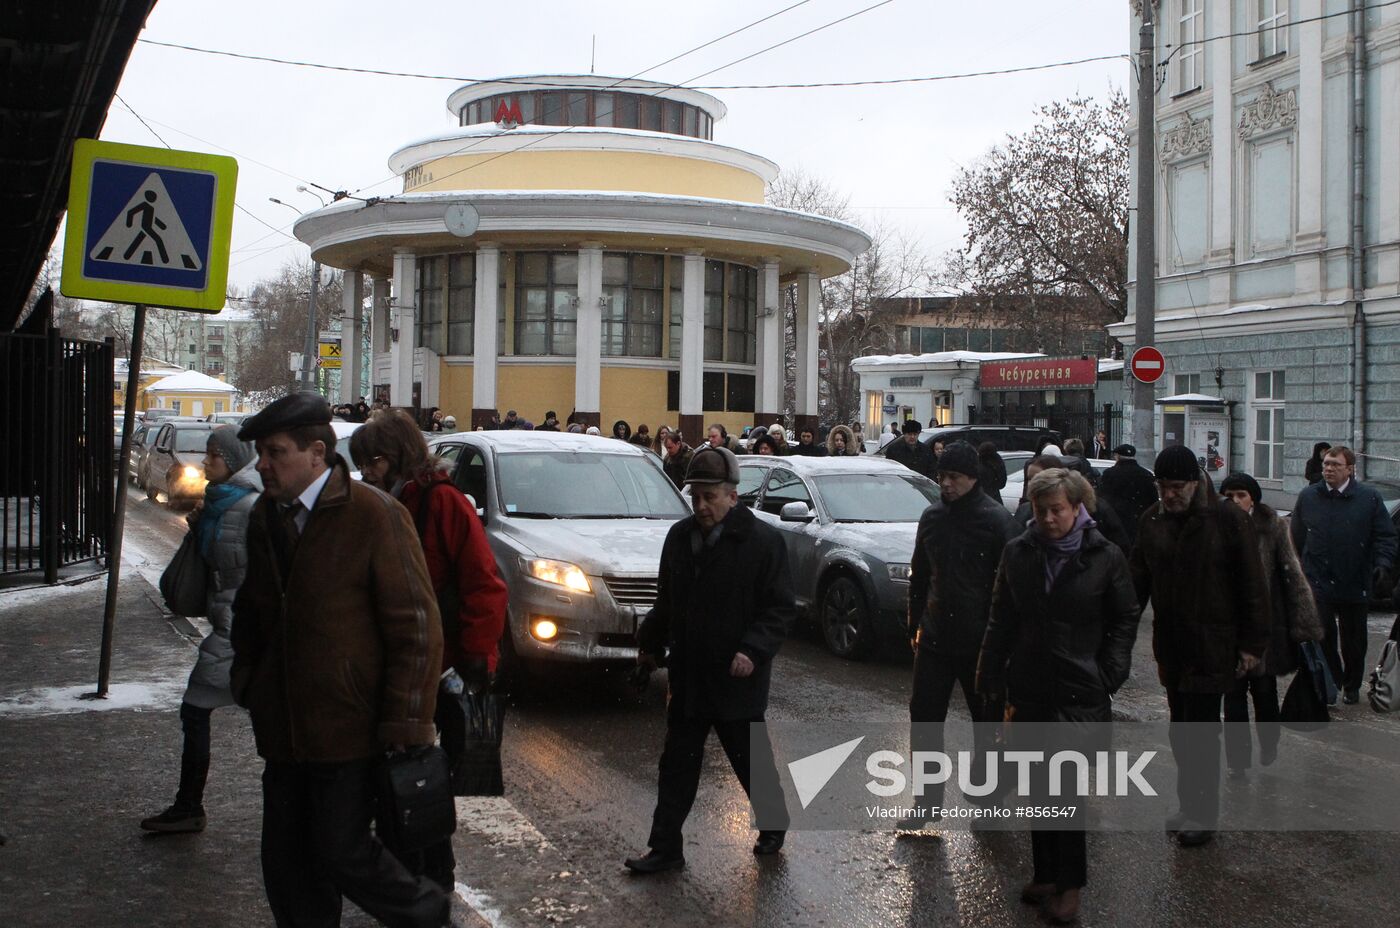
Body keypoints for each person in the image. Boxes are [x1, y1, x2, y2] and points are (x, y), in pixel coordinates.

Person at [230, 393, 448, 927]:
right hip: (283, 730)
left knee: (342, 850)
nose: (262, 465)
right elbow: (252, 611)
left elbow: (416, 626)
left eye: (275, 452)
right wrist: (249, 681)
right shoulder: (265, 517)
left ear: (316, 453)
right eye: (260, 453)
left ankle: (428, 915)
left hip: (348, 731)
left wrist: (407, 721)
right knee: (287, 868)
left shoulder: (374, 515)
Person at [349, 410, 509, 890]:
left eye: (374, 462)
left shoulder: (442, 501)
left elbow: (484, 582)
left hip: (440, 664)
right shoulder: (385, 502)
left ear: (397, 457)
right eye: (362, 464)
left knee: (420, 772)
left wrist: (477, 656)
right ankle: (415, 867)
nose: (366, 472)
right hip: (400, 661)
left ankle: (432, 875)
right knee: (401, 769)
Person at [978, 468, 1140, 924]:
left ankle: (1070, 889)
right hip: (1030, 685)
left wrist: (1109, 672)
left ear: (1077, 508)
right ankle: (1046, 874)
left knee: (1065, 789)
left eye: (1057, 510)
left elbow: (1125, 616)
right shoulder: (1019, 552)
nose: (1049, 519)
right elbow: (1001, 616)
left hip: (1079, 689)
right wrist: (989, 672)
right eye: (1041, 509)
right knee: (1036, 784)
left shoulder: (1104, 556)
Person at [627, 447, 794, 872]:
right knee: (677, 765)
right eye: (696, 496)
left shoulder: (763, 543)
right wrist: (649, 647)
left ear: (732, 496)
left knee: (750, 759)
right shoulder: (679, 539)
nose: (701, 506)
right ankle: (665, 848)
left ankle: (773, 824)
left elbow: (778, 609)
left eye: (710, 497)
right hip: (689, 675)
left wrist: (752, 650)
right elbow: (667, 601)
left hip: (736, 677)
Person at [1129, 445, 1269, 848]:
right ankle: (1188, 803)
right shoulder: (1152, 520)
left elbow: (1253, 585)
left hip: (1214, 642)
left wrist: (1252, 644)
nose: (1169, 494)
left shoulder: (1227, 520)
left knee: (1202, 732)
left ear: (1195, 482)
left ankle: (1203, 813)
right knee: (1180, 730)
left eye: (1177, 486)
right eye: (1162, 486)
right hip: (1171, 644)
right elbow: (1136, 583)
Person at [141, 426, 263, 835]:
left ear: (233, 461)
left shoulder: (246, 508)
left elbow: (252, 577)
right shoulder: (217, 504)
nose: (205, 462)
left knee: (197, 711)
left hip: (240, 631)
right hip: (228, 626)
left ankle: (189, 806)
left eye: (213, 455)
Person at [902, 441, 1017, 831]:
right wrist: (915, 625)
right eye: (942, 477)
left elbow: (1012, 587)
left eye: (953, 477)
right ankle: (926, 801)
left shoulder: (997, 521)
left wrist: (1004, 645)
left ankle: (990, 803)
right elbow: (920, 576)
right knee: (924, 718)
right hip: (935, 636)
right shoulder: (932, 517)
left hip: (981, 643)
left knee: (987, 724)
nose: (946, 484)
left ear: (972, 478)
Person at [1219, 472, 1322, 774]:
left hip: (1265, 626)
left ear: (1253, 498)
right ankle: (1237, 761)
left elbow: (1293, 575)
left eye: (1241, 495)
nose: (1235, 501)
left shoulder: (1273, 526)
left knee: (1264, 692)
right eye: (1229, 496)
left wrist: (1304, 623)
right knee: (1233, 698)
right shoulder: (1216, 528)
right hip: (1229, 627)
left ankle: (1269, 741)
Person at [1289, 445, 1398, 704]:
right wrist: (1299, 571)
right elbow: (1296, 538)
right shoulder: (1309, 496)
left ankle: (1351, 684)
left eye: (1335, 465)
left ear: (1349, 469)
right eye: (1326, 464)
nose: (1329, 469)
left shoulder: (1368, 498)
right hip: (1318, 579)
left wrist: (1382, 565)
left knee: (1354, 640)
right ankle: (1332, 682)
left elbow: (1385, 536)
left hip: (1355, 579)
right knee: (1323, 635)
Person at [1014, 454, 1130, 554]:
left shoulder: (1097, 511)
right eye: (1029, 478)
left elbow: (1119, 546)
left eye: (1056, 510)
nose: (1032, 483)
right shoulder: (1024, 512)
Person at [1097, 444, 1157, 545]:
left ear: (1117, 456)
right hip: (1139, 525)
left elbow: (1102, 499)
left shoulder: (1110, 474)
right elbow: (1153, 501)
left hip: (1116, 525)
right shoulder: (1146, 475)